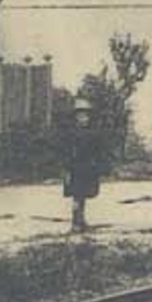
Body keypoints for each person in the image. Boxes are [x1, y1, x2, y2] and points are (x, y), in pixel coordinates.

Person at [61, 96, 107, 233]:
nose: (83, 119)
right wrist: (66, 168)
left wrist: (99, 166)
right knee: (76, 195)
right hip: (75, 168)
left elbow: (98, 151)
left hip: (88, 168)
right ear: (75, 118)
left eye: (86, 116)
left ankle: (81, 220)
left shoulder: (93, 133)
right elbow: (66, 151)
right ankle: (75, 222)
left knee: (84, 195)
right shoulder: (71, 134)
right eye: (80, 116)